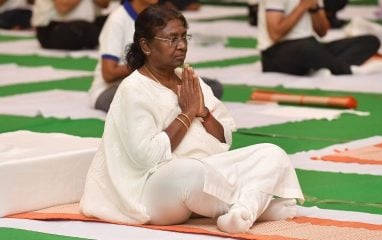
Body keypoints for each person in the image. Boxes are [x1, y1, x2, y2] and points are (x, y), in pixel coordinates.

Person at [80, 5, 304, 234]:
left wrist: (204, 113)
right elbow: (146, 158)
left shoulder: (187, 79)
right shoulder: (134, 89)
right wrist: (186, 114)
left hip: (207, 174)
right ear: (146, 45)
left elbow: (224, 139)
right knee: (189, 172)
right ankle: (252, 207)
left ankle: (242, 211)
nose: (182, 45)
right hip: (153, 191)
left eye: (184, 36)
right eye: (172, 38)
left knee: (271, 153)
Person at [89, 0, 223, 112]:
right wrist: (150, 65)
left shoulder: (163, 15)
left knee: (210, 87)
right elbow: (108, 73)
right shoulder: (118, 19)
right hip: (112, 89)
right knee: (144, 98)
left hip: (157, 80)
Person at [257, 0, 381, 76]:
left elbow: (322, 32)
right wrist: (302, 7)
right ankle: (343, 69)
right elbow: (275, 34)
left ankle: (324, 66)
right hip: (275, 53)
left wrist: (314, 9)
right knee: (308, 49)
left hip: (309, 46)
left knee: (370, 41)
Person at [31, 0, 110, 50]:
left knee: (113, 20)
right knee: (86, 29)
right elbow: (63, 7)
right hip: (53, 29)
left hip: (88, 23)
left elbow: (105, 4)